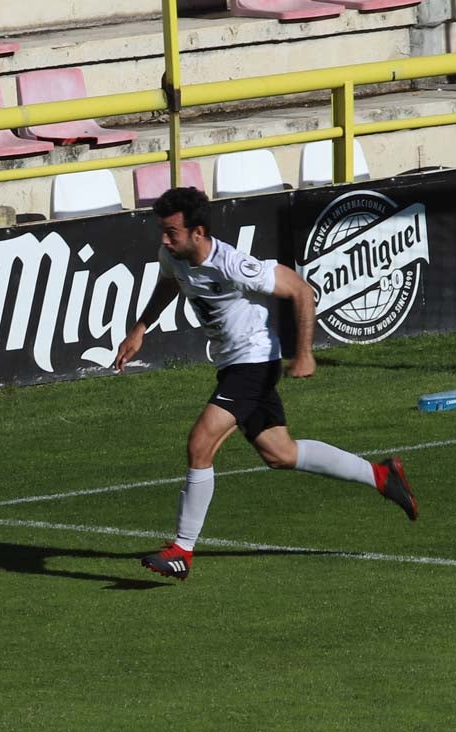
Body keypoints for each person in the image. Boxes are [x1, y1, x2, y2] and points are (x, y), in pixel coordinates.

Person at [113, 187, 417, 581]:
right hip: (231, 365)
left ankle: (181, 551)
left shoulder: (234, 264)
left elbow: (300, 290)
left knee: (200, 443)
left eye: (172, 232)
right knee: (281, 453)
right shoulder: (174, 255)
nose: (164, 239)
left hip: (253, 363)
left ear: (199, 232)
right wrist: (140, 329)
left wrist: (305, 352)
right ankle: (381, 475)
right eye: (163, 231)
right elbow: (170, 282)